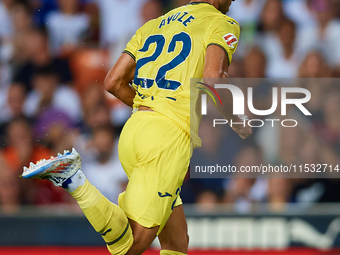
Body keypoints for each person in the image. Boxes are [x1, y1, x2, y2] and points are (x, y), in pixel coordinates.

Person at [22, 1, 252, 255]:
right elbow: (212, 79)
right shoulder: (220, 22)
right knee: (130, 246)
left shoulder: (153, 25)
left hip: (135, 130)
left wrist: (151, 110)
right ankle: (74, 180)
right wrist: (235, 119)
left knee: (176, 241)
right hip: (166, 140)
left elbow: (113, 81)